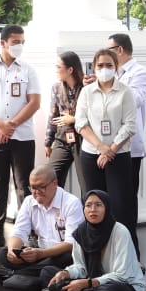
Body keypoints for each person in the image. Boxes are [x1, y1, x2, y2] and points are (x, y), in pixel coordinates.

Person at [0, 24, 41, 249]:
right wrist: (0, 125)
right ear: (3, 43)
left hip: (22, 136)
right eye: (15, 42)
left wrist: (11, 125)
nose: (19, 46)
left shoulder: (28, 70)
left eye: (22, 42)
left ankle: (28, 232)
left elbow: (34, 102)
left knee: (24, 186)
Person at [0, 163, 83, 291]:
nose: (36, 192)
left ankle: (11, 275)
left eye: (42, 187)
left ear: (55, 183)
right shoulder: (29, 201)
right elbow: (19, 232)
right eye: (33, 188)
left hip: (60, 253)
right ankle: (32, 276)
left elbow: (71, 243)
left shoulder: (71, 203)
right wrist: (13, 251)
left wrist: (41, 254)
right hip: (41, 253)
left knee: (67, 258)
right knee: (4, 254)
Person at [43, 190, 146, 291]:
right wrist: (66, 273)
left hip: (120, 284)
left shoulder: (120, 232)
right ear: (84, 209)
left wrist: (86, 283)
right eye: (88, 205)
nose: (93, 209)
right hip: (91, 283)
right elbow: (80, 267)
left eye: (98, 205)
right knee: (48, 273)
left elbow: (122, 276)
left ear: (107, 208)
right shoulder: (81, 232)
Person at [73, 48, 139, 238]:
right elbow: (81, 123)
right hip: (91, 154)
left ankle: (130, 255)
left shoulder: (125, 92)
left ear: (116, 67)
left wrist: (111, 149)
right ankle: (97, 252)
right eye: (100, 66)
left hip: (118, 155)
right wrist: (101, 147)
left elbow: (130, 125)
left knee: (121, 208)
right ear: (94, 68)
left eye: (109, 65)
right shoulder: (86, 92)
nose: (104, 69)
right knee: (94, 206)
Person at [108, 32, 146, 257]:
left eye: (109, 51)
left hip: (129, 147)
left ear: (120, 50)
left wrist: (109, 85)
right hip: (106, 146)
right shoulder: (112, 75)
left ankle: (129, 250)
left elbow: (132, 101)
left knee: (125, 202)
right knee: (108, 199)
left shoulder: (140, 74)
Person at [44, 50, 86, 193]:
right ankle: (55, 214)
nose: (56, 70)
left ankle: (88, 214)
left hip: (83, 138)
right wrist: (48, 141)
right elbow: (53, 115)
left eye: (58, 67)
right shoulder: (56, 88)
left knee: (86, 182)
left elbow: (95, 115)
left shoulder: (86, 87)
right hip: (62, 138)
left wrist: (74, 119)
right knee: (51, 178)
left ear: (70, 69)